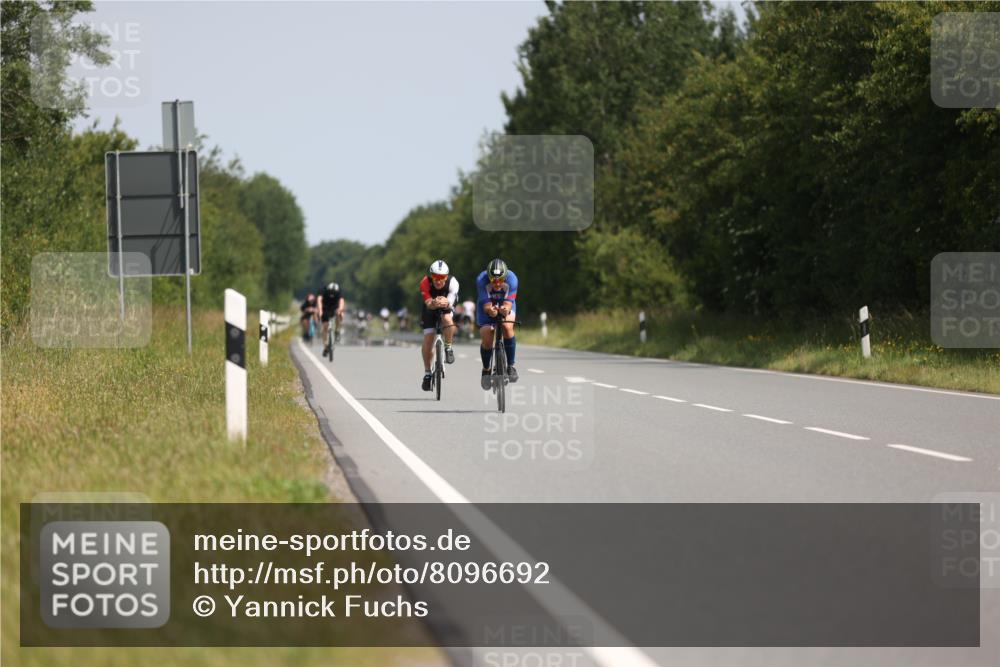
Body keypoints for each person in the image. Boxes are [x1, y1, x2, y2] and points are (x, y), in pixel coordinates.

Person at [476, 258, 518, 389]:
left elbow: (508, 304)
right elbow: (486, 306)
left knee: (506, 326)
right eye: (493, 280)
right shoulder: (481, 280)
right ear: (488, 277)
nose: (497, 284)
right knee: (487, 334)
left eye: (500, 280)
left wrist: (504, 310)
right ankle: (486, 369)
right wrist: (491, 311)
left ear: (505, 277)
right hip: (488, 305)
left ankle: (510, 366)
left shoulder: (512, 279)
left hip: (505, 304)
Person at [419, 259, 459, 391]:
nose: (438, 280)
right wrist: (434, 303)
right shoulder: (425, 282)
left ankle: (448, 347)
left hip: (447, 304)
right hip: (430, 307)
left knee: (447, 319)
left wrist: (445, 302)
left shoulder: (453, 282)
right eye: (435, 277)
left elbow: (451, 300)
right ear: (431, 276)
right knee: (428, 338)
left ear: (446, 277)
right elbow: (428, 302)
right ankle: (427, 373)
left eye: (441, 277)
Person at [317, 281, 344, 354]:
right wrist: (320, 311)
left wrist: (340, 310)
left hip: (334, 307)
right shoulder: (323, 290)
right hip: (325, 307)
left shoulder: (338, 291)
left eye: (334, 293)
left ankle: (337, 330)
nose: (332, 294)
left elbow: (341, 301)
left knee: (340, 314)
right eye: (330, 292)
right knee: (325, 327)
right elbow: (319, 300)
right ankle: (325, 346)